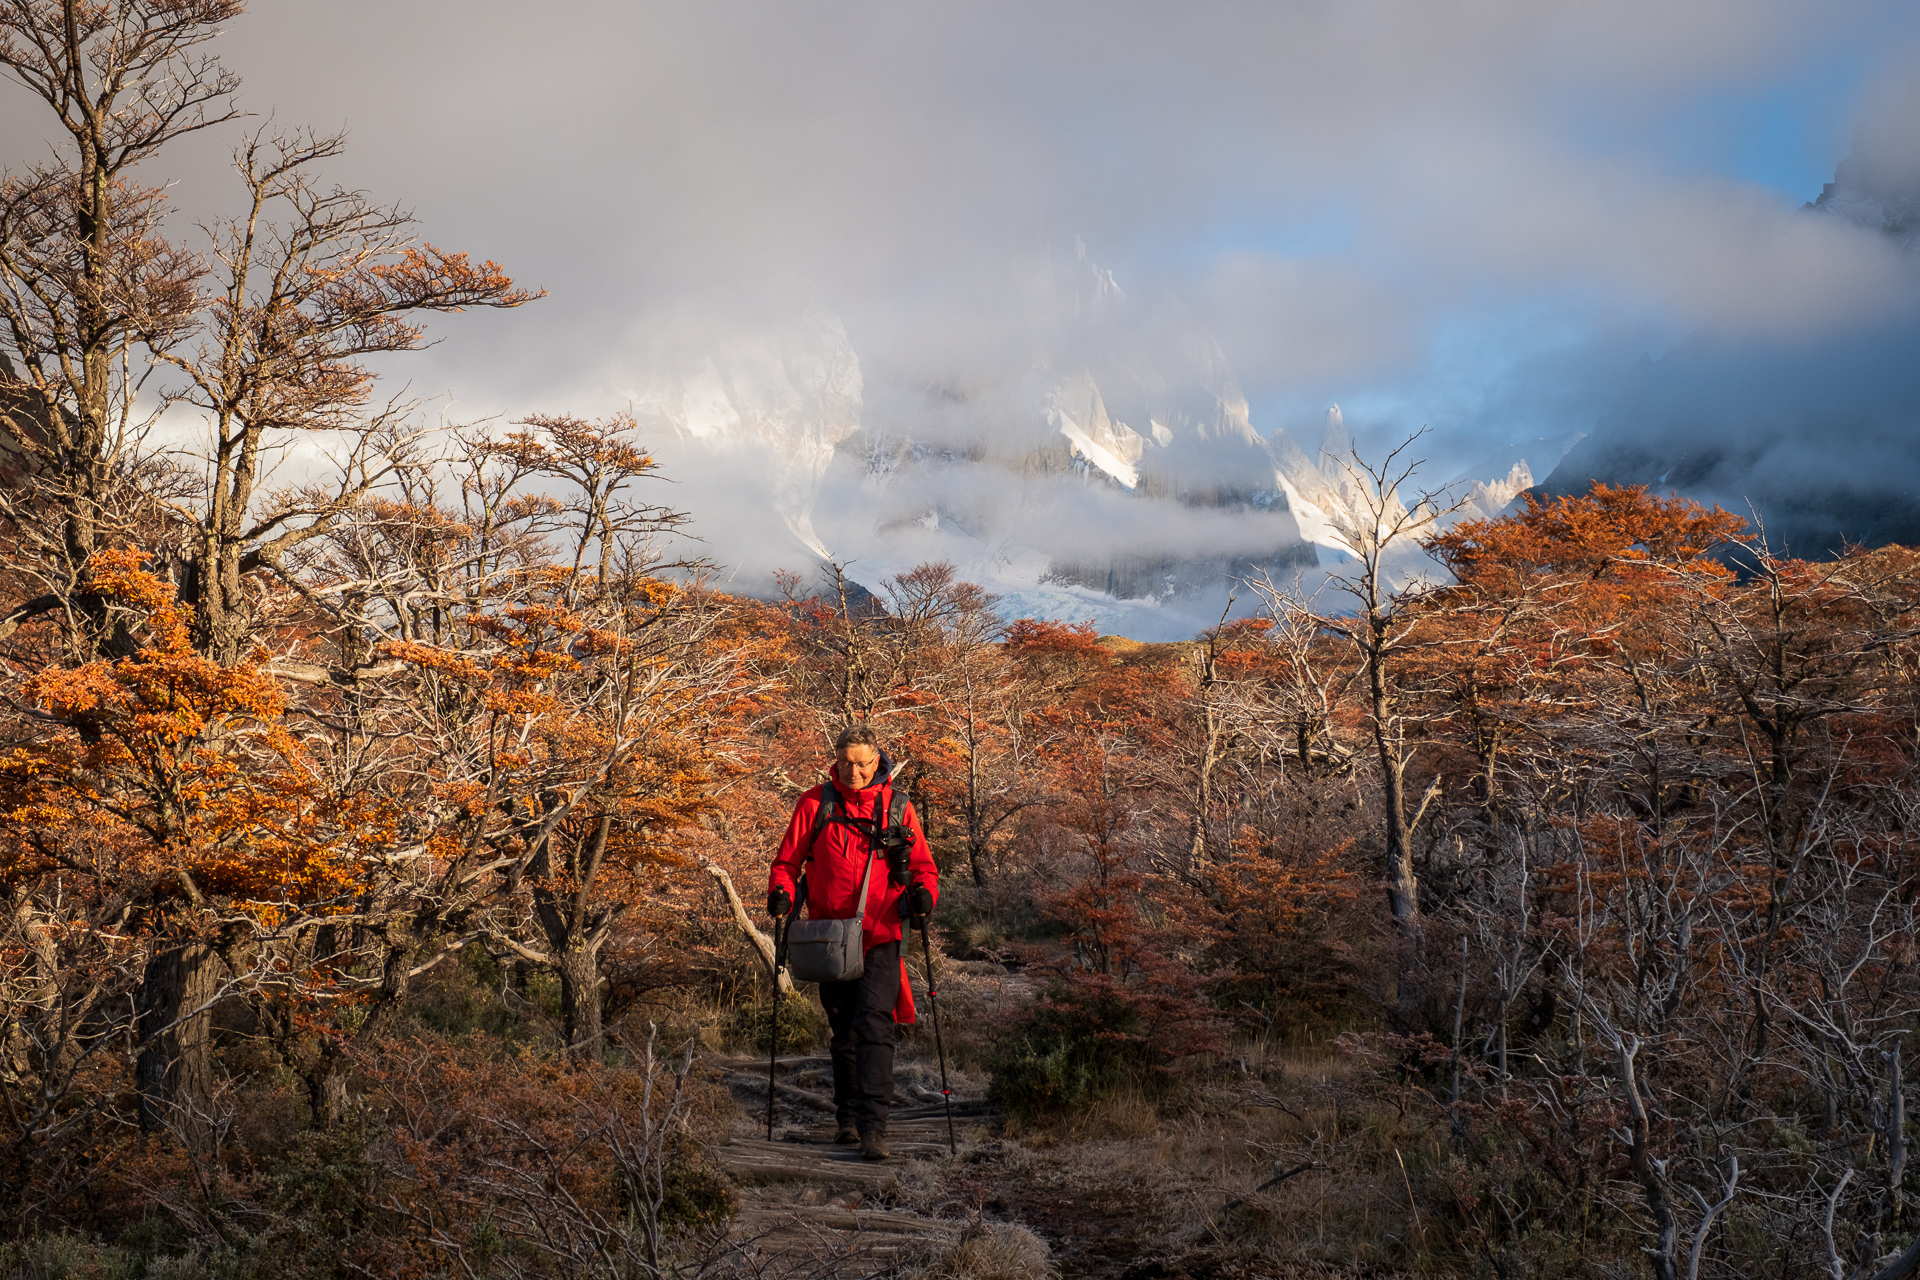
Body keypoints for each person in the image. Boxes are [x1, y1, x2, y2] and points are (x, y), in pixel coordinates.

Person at [767, 725, 938, 1161]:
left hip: (880, 934)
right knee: (843, 1030)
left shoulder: (898, 806)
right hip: (829, 936)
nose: (855, 772)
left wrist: (924, 896)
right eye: (847, 763)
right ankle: (847, 1120)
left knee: (875, 1026)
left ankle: (873, 1129)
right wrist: (781, 892)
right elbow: (786, 862)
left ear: (878, 759)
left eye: (863, 763)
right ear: (836, 760)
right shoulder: (815, 802)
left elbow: (924, 869)